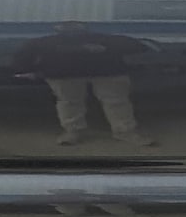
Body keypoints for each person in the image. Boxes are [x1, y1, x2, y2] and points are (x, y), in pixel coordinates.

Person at [11, 21, 157, 146]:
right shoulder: (44, 42)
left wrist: (107, 48)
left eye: (75, 25)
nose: (71, 28)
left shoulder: (105, 39)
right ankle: (73, 132)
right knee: (69, 103)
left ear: (85, 27)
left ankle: (125, 132)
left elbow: (139, 47)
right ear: (56, 27)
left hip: (107, 74)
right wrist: (24, 70)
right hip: (64, 76)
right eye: (66, 25)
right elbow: (22, 55)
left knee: (117, 102)